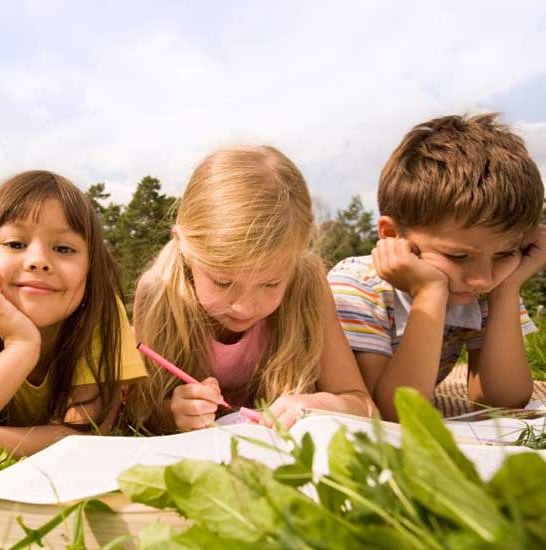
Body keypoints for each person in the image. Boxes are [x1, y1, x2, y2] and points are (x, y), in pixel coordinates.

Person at [131, 146, 374, 432]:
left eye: (271, 283)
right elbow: (138, 409)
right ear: (184, 248)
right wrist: (171, 414)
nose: (244, 307)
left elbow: (364, 406)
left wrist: (323, 405)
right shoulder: (159, 291)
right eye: (223, 282)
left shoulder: (308, 284)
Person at [328, 114, 544, 420]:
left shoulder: (491, 283)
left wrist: (507, 290)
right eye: (457, 257)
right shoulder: (357, 287)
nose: (482, 279)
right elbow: (389, 413)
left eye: (505, 253)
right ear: (392, 235)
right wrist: (430, 292)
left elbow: (502, 401)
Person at [0, 170, 147, 459]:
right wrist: (21, 347)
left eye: (64, 248)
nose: (39, 261)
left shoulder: (101, 313)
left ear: (91, 270)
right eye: (16, 244)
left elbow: (85, 432)